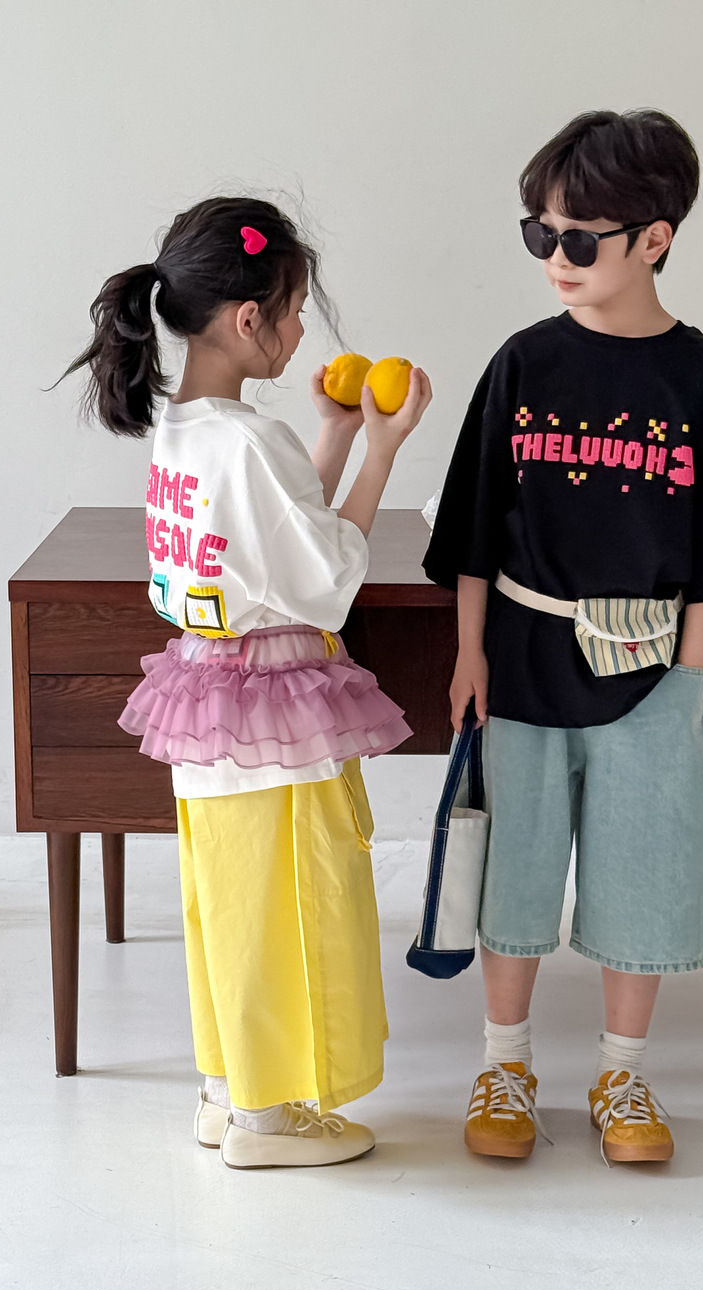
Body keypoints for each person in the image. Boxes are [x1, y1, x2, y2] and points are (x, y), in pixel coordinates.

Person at [423, 110, 703, 1164]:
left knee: (645, 872)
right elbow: (474, 526)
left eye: (579, 238)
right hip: (524, 663)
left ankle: (622, 1075)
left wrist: (687, 678)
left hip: (651, 670)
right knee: (513, 868)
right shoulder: (523, 363)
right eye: (540, 234)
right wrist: (470, 652)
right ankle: (505, 1063)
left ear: (654, 239)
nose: (557, 258)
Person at [64, 197, 432, 1168]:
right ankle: (271, 1122)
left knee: (229, 901)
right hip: (275, 705)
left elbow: (278, 535)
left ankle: (229, 1092)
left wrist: (334, 434)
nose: (304, 329)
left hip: (205, 691)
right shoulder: (247, 443)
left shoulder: (185, 430)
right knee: (295, 898)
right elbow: (325, 578)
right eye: (296, 308)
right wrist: (384, 450)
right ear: (247, 318)